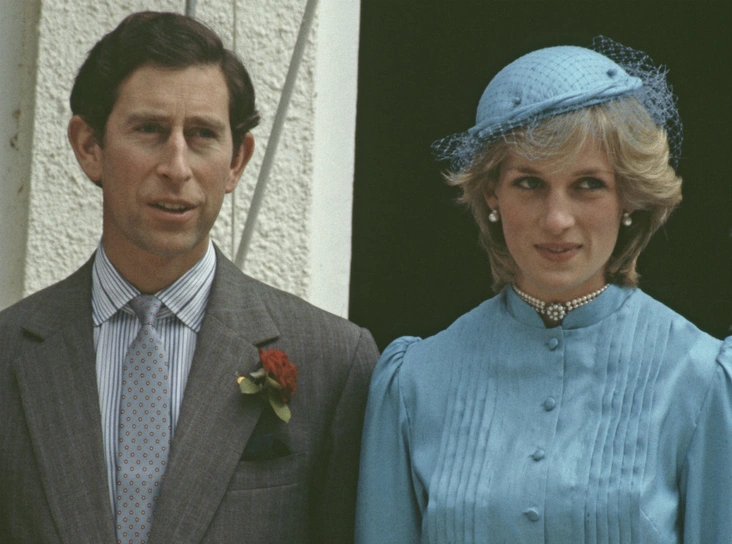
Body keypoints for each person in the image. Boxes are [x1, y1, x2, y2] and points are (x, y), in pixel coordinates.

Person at [0, 11, 378, 544]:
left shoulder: (333, 362)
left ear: (237, 161)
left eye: (202, 135)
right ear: (89, 147)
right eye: (149, 130)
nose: (176, 167)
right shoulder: (9, 354)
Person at [355, 36, 732, 544]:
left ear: (628, 196)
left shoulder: (699, 377)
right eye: (529, 183)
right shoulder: (414, 381)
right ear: (492, 193)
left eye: (588, 184)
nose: (557, 220)